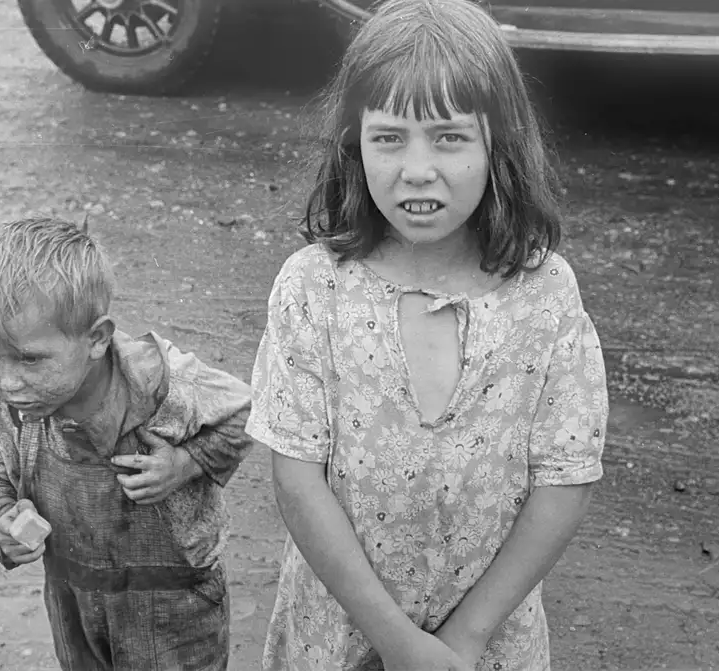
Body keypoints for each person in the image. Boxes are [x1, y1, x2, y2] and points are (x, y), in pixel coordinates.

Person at [244, 1, 609, 669]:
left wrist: (465, 638)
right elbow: (296, 479)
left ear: (498, 141)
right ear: (354, 142)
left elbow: (566, 478)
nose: (417, 168)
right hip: (336, 636)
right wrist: (399, 643)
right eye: (389, 138)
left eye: (448, 137)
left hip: (491, 644)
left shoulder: (546, 295)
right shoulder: (313, 289)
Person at [0, 217, 254, 671]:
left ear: (96, 338)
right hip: (72, 596)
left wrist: (185, 463)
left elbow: (245, 413)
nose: (9, 381)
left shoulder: (160, 384)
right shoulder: (4, 408)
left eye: (31, 359)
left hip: (175, 606)